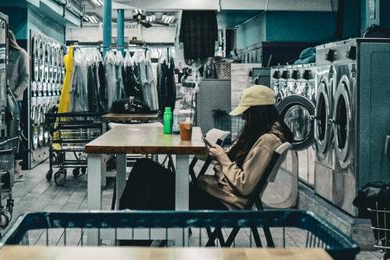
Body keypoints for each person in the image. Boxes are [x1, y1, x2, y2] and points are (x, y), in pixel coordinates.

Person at [118, 85, 292, 210]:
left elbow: (244, 186)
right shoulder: (260, 136)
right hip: (217, 194)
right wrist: (220, 159)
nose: (244, 118)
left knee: (146, 172)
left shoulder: (267, 142)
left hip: (224, 203)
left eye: (246, 113)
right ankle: (133, 232)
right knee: (145, 172)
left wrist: (222, 158)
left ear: (258, 113)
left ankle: (127, 231)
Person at [7, 29, 30, 179]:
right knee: (4, 133)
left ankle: (17, 165)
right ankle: (7, 165)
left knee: (14, 131)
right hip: (1, 100)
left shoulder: (21, 54)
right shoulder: (0, 53)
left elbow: (25, 78)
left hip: (15, 100)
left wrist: (14, 95)